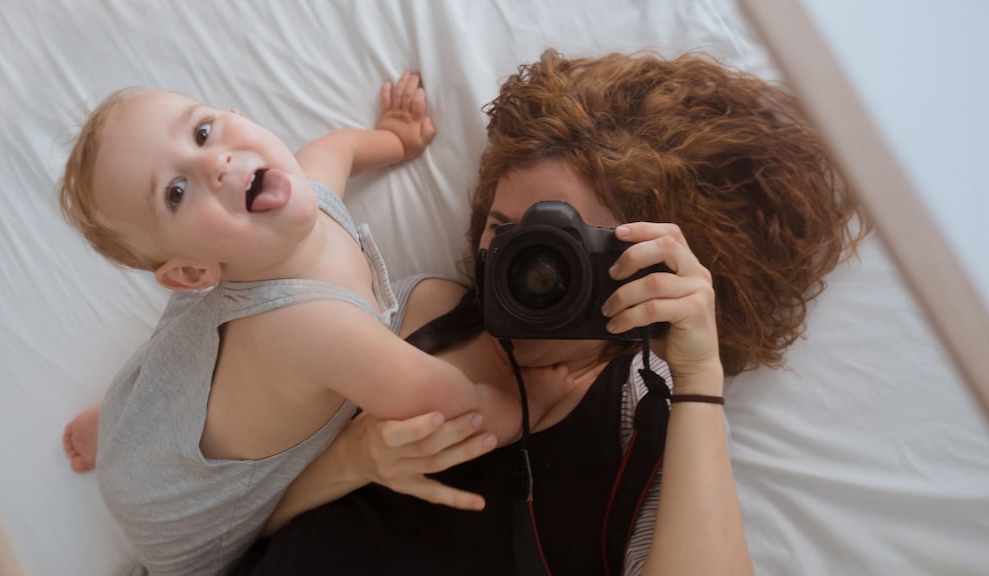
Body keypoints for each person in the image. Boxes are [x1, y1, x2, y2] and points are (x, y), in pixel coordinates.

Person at [229, 50, 867, 575]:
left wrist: (699, 379)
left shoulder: (645, 412)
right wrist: (352, 462)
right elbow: (235, 525)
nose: (531, 270)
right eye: (508, 231)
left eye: (569, 251)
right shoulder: (426, 311)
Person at [56, 72, 563, 576]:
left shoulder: (302, 190)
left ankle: (118, 423)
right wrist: (534, 402)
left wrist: (393, 137)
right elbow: (455, 411)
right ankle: (121, 438)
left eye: (203, 132)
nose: (216, 163)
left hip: (155, 402)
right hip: (182, 513)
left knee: (170, 358)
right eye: (176, 191)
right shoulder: (315, 331)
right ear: (192, 271)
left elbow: (338, 148)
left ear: (236, 116)